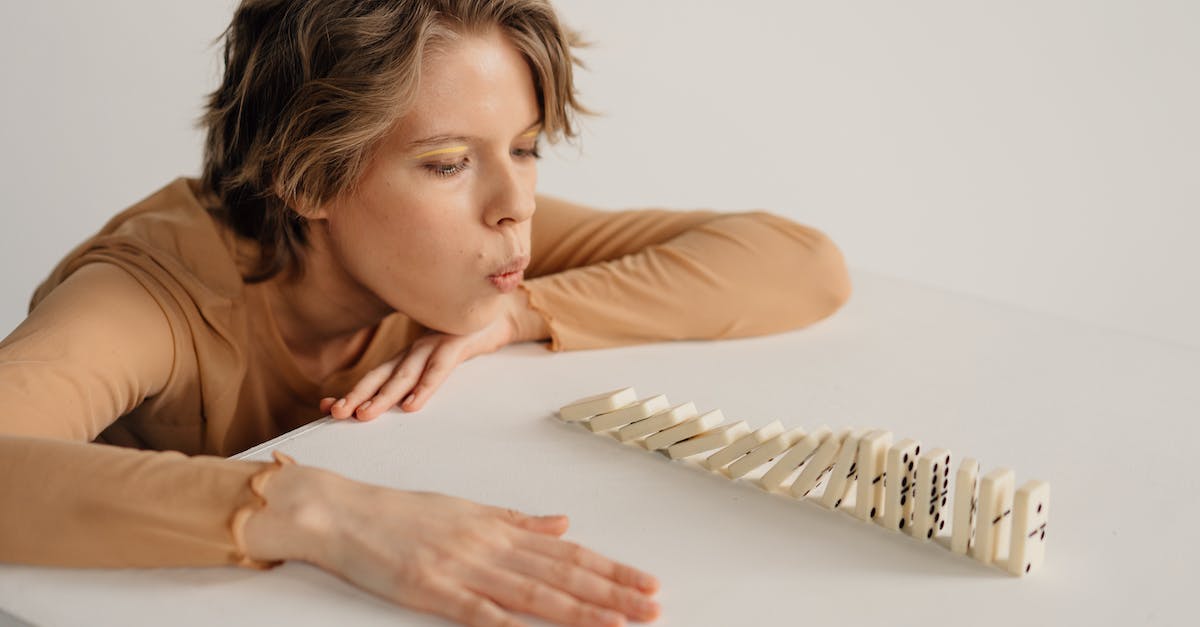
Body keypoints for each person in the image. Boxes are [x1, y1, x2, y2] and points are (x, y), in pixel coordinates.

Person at [0, 0, 852, 625]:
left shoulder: (472, 247)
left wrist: (518, 315)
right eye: (448, 164)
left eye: (525, 147)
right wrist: (329, 513)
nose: (516, 203)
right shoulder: (152, 291)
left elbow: (800, 262)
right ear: (309, 178)